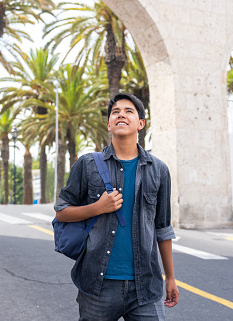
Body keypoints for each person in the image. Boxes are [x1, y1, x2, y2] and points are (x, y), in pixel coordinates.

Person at [54, 93, 179, 320]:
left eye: (129, 111)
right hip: (97, 285)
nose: (121, 114)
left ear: (141, 124)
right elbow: (61, 212)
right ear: (109, 124)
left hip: (146, 286)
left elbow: (162, 228)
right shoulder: (88, 164)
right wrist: (97, 207)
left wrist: (170, 277)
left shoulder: (158, 170)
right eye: (115, 112)